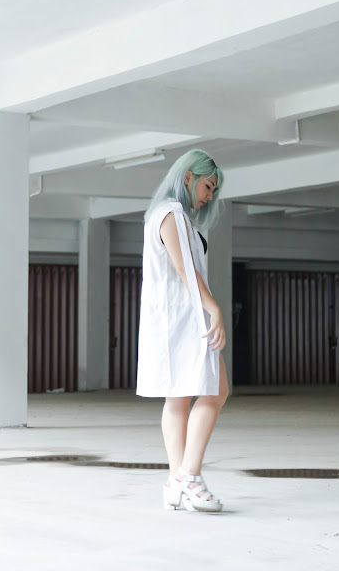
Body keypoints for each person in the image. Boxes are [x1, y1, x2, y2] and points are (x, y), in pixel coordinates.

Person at [136, 149, 229, 512]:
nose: (209, 195)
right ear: (188, 177)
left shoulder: (167, 215)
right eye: (208, 186)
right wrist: (213, 307)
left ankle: (177, 481)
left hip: (176, 318)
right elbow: (184, 269)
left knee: (179, 398)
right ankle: (189, 476)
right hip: (183, 318)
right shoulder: (171, 214)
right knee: (215, 391)